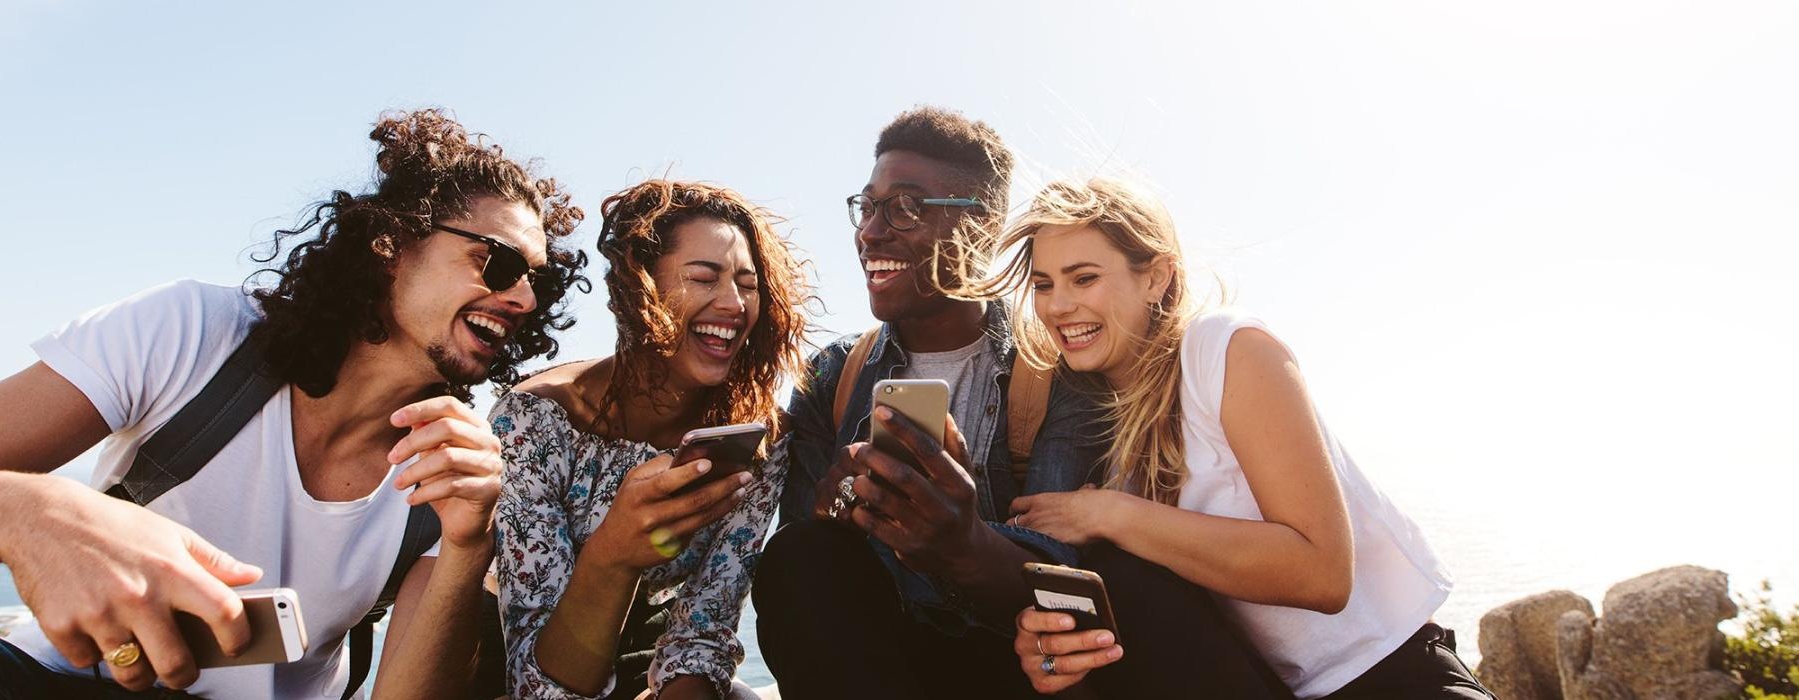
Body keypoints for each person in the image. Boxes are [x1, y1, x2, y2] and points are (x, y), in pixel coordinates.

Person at [0, 109, 587, 698]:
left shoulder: (448, 474)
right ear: (393, 244)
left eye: (543, 282)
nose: (525, 298)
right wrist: (38, 510)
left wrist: (467, 544)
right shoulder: (194, 332)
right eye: (500, 264)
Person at [750, 108, 1271, 700]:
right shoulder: (834, 374)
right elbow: (803, 557)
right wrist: (839, 504)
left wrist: (962, 542)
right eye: (867, 207)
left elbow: (1063, 570)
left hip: (1017, 657)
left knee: (1114, 587)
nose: (871, 232)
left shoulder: (1056, 368)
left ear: (985, 224)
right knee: (800, 556)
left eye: (907, 207)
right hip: (881, 661)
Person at [985, 178, 1491, 698]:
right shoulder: (1093, 430)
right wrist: (1054, 654)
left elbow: (1323, 574)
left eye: (1083, 278)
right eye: (1043, 285)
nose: (1057, 306)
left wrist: (1111, 514)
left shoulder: (1226, 349)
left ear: (1157, 277)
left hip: (1393, 677)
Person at [492, 180, 811, 700]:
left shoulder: (759, 439)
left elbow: (702, 632)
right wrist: (613, 553)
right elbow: (537, 686)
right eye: (704, 277)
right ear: (639, 287)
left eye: (749, 284)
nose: (733, 303)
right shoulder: (535, 420)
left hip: (649, 664)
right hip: (522, 663)